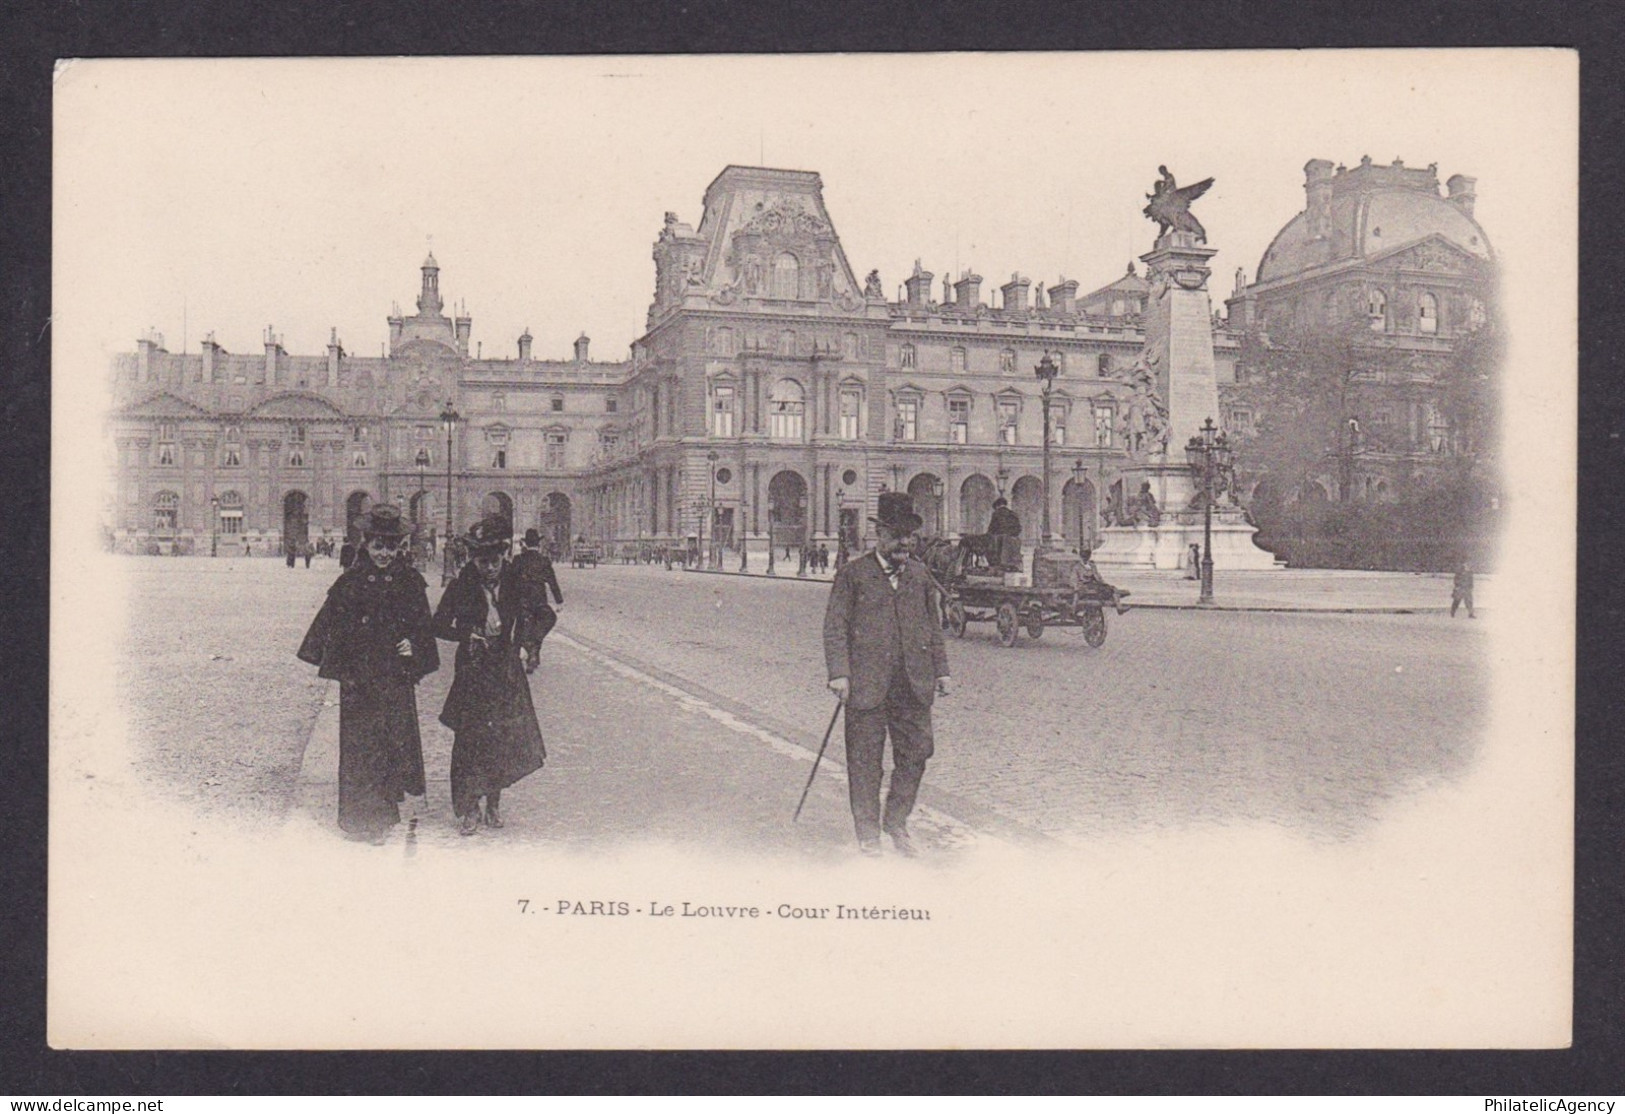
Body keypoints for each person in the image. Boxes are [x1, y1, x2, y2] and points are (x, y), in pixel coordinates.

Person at [296, 505, 439, 842]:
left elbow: (422, 627)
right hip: (359, 678)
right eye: (378, 546)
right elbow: (330, 625)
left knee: (389, 743)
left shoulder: (410, 581)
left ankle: (384, 815)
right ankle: (359, 819)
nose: (384, 554)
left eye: (390, 547)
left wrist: (414, 645)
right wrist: (339, 656)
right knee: (360, 746)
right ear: (366, 544)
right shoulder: (350, 581)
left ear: (399, 547)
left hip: (393, 676)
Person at [822, 491, 951, 858]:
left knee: (917, 753)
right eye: (897, 535)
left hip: (913, 683)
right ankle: (868, 833)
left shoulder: (920, 574)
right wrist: (839, 674)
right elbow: (835, 627)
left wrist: (941, 671)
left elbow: (932, 626)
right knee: (865, 760)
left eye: (910, 536)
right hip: (866, 684)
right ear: (880, 535)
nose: (904, 543)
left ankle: (895, 820)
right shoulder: (853, 575)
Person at [433, 515, 548, 836]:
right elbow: (438, 624)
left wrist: (528, 644)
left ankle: (493, 804)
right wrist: (466, 634)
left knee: (501, 737)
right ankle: (469, 807)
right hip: (472, 670)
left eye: (495, 560)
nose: (490, 568)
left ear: (503, 557)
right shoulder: (461, 587)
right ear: (473, 560)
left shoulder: (515, 584)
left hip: (505, 670)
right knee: (470, 739)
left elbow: (542, 615)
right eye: (483, 561)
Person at [512, 528, 564, 672]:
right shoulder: (544, 561)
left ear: (525, 544)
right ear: (538, 545)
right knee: (544, 622)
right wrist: (559, 601)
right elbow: (552, 582)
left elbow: (510, 581)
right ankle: (533, 654)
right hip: (539, 600)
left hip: (521, 601)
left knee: (523, 628)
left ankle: (528, 652)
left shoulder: (518, 560)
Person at [988, 496, 1023, 570]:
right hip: (1014, 540)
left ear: (997, 506)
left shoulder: (996, 513)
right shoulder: (1013, 513)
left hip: (1001, 541)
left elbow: (991, 528)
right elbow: (1019, 528)